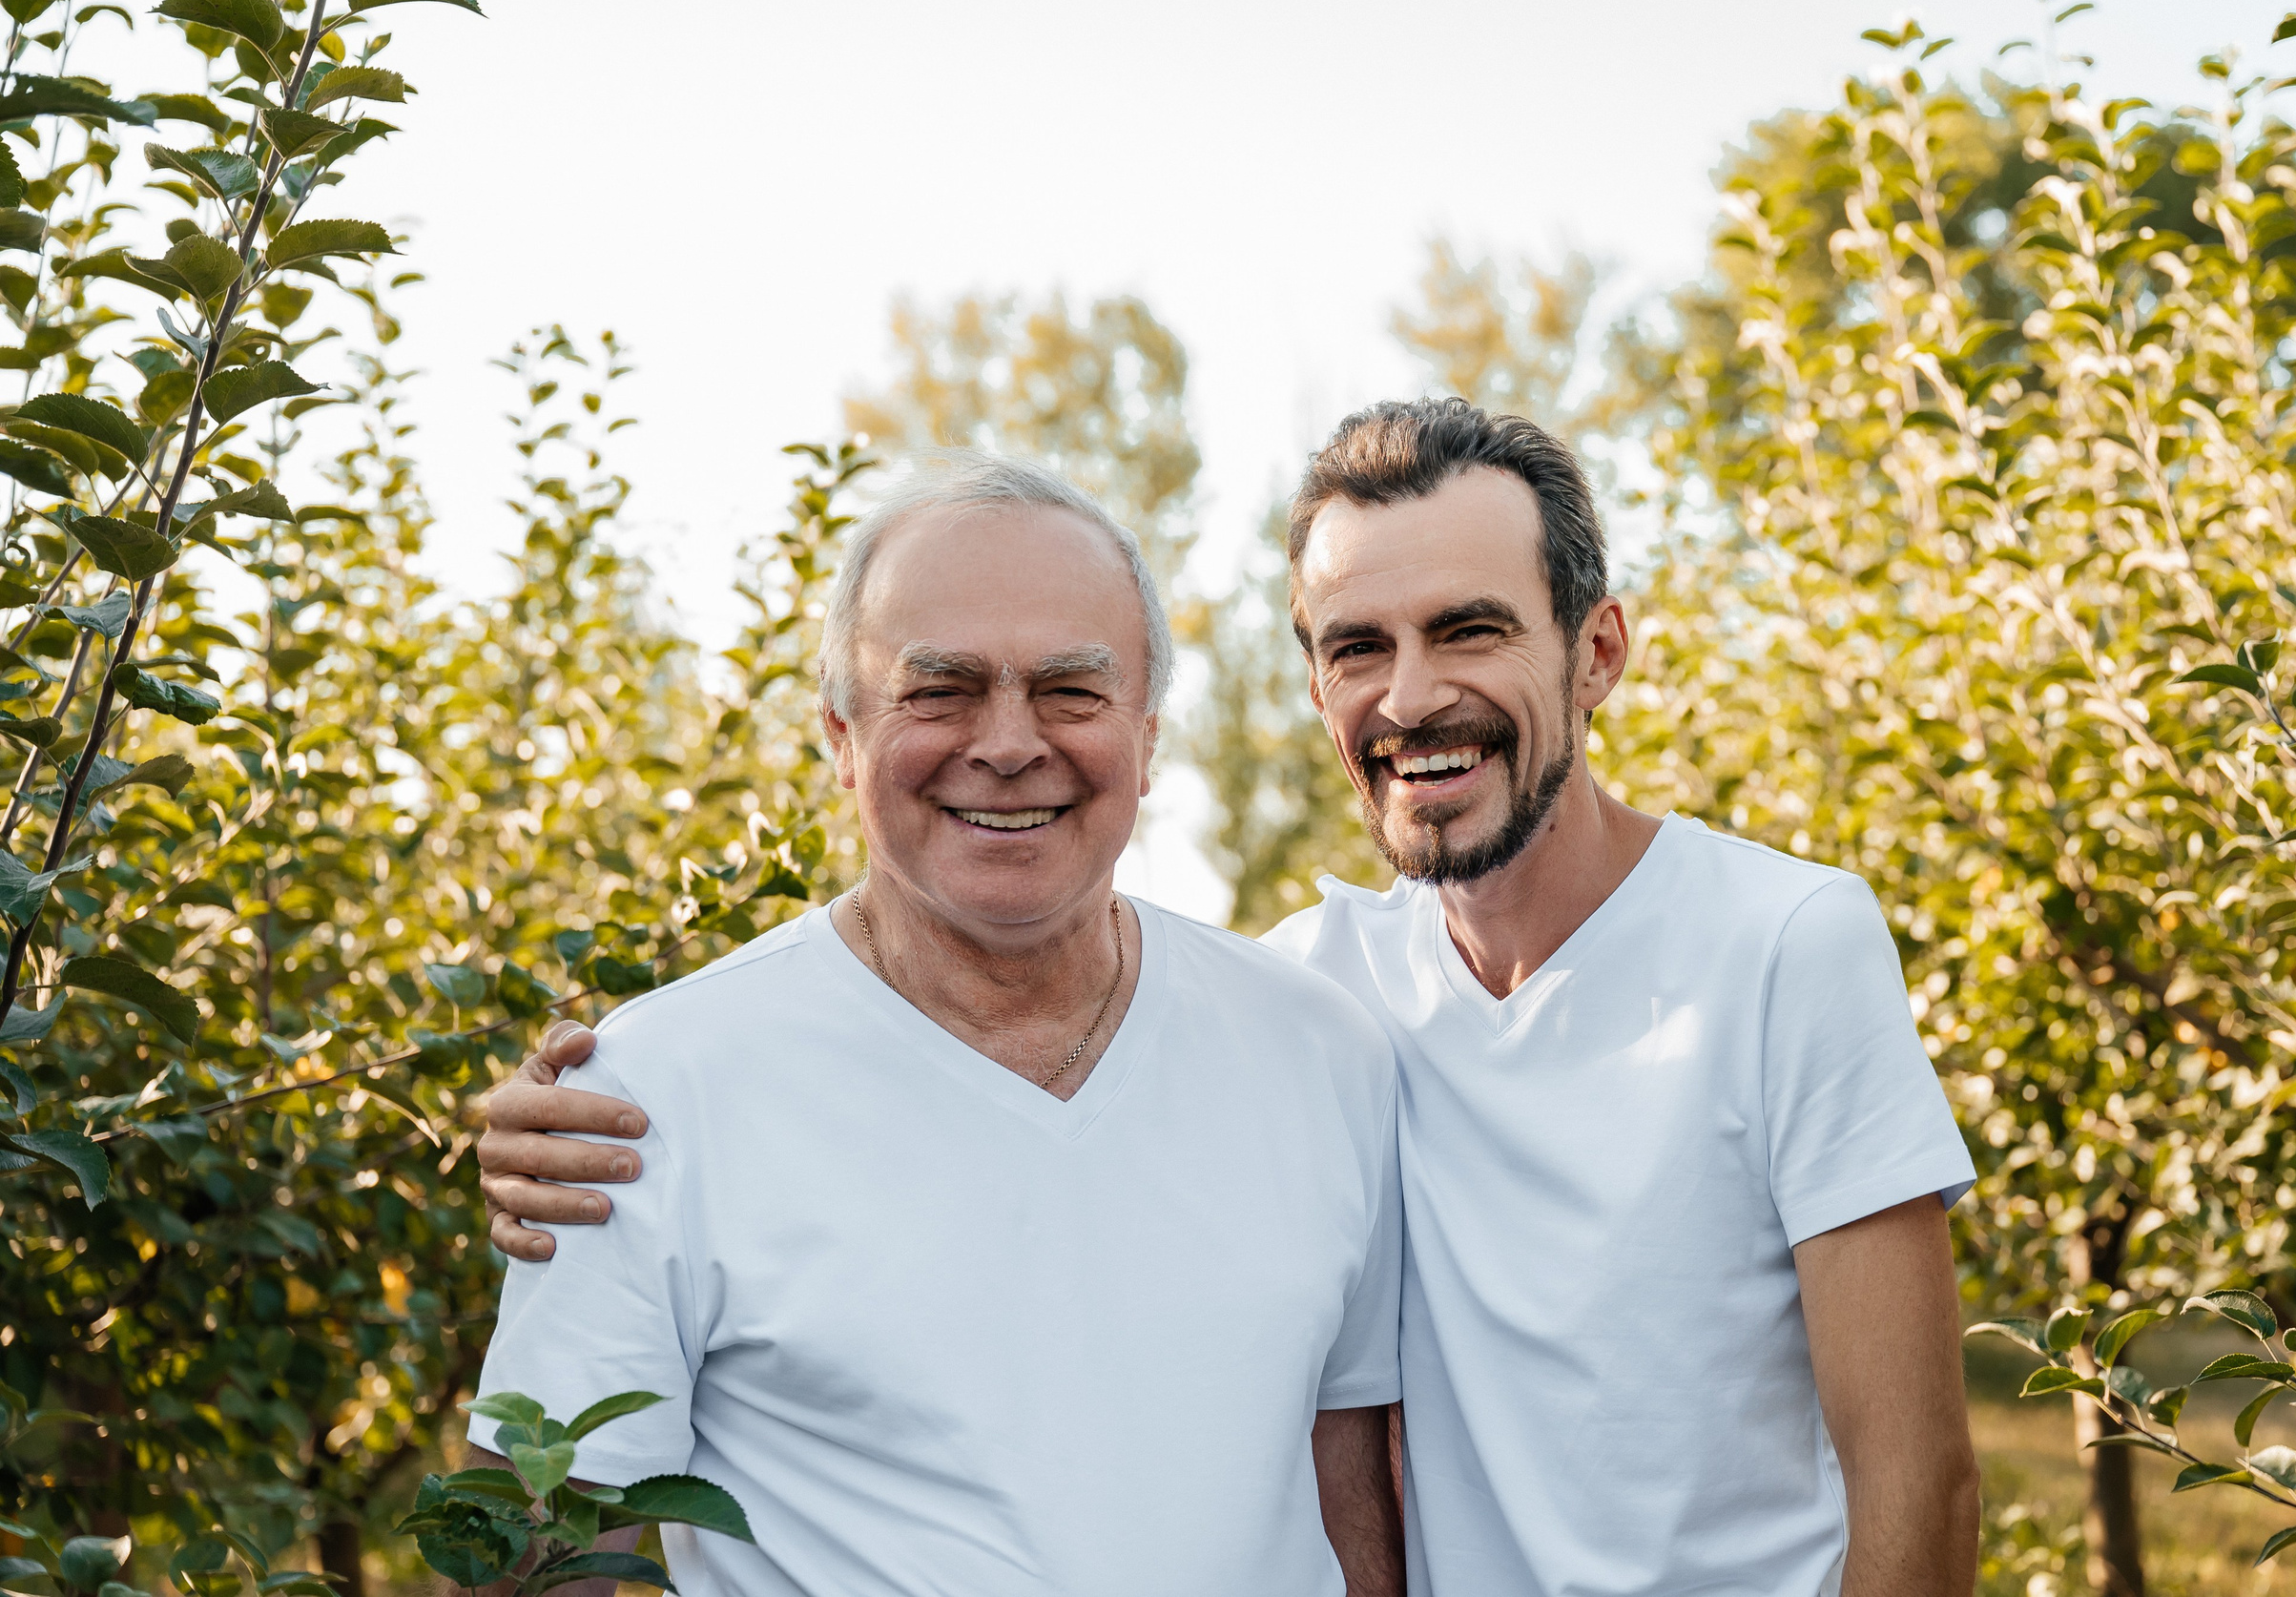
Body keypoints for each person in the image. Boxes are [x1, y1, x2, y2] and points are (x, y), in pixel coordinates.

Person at [483, 404, 1982, 1595]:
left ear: (1595, 653)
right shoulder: (1332, 993)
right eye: (1357, 647)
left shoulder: (1763, 946)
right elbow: (555, 1541)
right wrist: (541, 1119)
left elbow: (1920, 1488)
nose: (1410, 696)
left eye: (1470, 630)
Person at [465, 454, 1405, 1597]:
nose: (1008, 742)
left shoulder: (1319, 1051)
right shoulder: (643, 1097)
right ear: (841, 736)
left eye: (1070, 688)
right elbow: (539, 1551)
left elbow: (1349, 1492)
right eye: (939, 688)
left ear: (1147, 736)